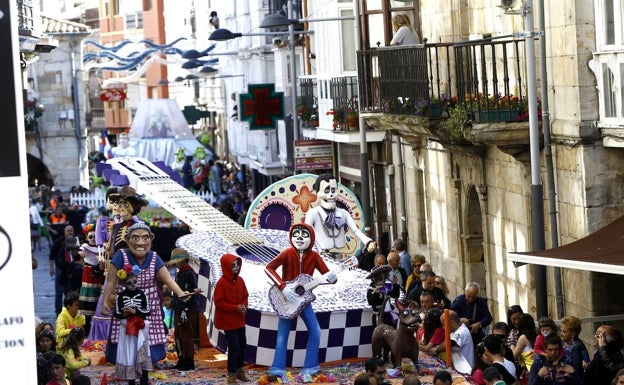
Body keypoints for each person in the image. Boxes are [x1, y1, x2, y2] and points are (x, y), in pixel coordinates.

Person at [100, 222, 193, 364]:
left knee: (149, 335)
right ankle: (127, 364)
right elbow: (111, 281)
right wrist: (105, 301)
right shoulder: (121, 255)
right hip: (126, 305)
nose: (140, 242)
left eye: (145, 238)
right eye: (135, 238)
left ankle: (147, 365)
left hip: (149, 306)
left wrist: (180, 293)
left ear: (152, 238)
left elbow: (168, 278)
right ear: (127, 239)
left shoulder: (154, 257)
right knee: (126, 335)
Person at [264, 222, 337, 380]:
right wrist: (283, 286)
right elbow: (268, 268)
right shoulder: (287, 253)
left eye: (304, 235)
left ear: (311, 238)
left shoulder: (315, 256)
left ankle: (310, 367)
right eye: (296, 234)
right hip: (286, 300)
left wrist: (332, 278)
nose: (299, 238)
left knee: (315, 331)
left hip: (304, 301)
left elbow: (328, 276)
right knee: (282, 335)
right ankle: (277, 368)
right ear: (291, 237)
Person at [304, 173, 376, 257]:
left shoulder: (343, 213)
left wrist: (367, 241)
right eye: (326, 190)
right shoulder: (313, 213)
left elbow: (355, 230)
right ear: (318, 193)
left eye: (333, 190)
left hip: (340, 256)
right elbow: (307, 234)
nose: (331, 194)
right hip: (321, 256)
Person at [214, 253, 250, 383]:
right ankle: (232, 374)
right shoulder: (221, 283)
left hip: (240, 320)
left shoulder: (240, 280)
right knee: (234, 346)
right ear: (226, 267)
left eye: (237, 265)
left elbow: (245, 295)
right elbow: (219, 302)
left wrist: (244, 306)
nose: (236, 267)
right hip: (229, 322)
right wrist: (235, 308)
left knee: (242, 344)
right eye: (233, 265)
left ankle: (240, 370)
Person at [113, 267, 151, 385]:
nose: (133, 285)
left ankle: (144, 381)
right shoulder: (120, 296)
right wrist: (123, 314)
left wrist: (136, 311)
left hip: (140, 328)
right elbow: (116, 313)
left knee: (142, 354)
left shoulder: (142, 294)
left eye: (135, 282)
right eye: (130, 283)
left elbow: (148, 311)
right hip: (127, 330)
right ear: (125, 284)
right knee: (130, 355)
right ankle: (132, 382)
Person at [169, 248, 200, 372]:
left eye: (177, 261)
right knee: (179, 335)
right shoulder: (181, 272)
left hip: (185, 309)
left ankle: (188, 361)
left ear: (183, 260)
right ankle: (182, 359)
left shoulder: (188, 273)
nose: (176, 263)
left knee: (186, 335)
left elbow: (191, 292)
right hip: (180, 308)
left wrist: (184, 309)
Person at [78, 224, 103, 334]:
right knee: (87, 295)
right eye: (90, 237)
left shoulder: (101, 247)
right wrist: (81, 253)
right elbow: (80, 250)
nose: (93, 239)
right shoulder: (85, 246)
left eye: (94, 236)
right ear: (87, 238)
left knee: (98, 295)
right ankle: (87, 327)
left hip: (98, 273)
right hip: (88, 273)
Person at [50, 226, 75, 315]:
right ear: (64, 232)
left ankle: (68, 311)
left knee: (69, 291)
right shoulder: (58, 242)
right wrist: (51, 268)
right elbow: (52, 255)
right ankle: (58, 312)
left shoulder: (76, 241)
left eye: (71, 231)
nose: (70, 232)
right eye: (68, 231)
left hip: (72, 269)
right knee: (59, 291)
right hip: (60, 268)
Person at [513, 313, 537, 381]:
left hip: (531, 371)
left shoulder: (523, 338)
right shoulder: (537, 335)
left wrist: (512, 342)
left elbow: (513, 357)